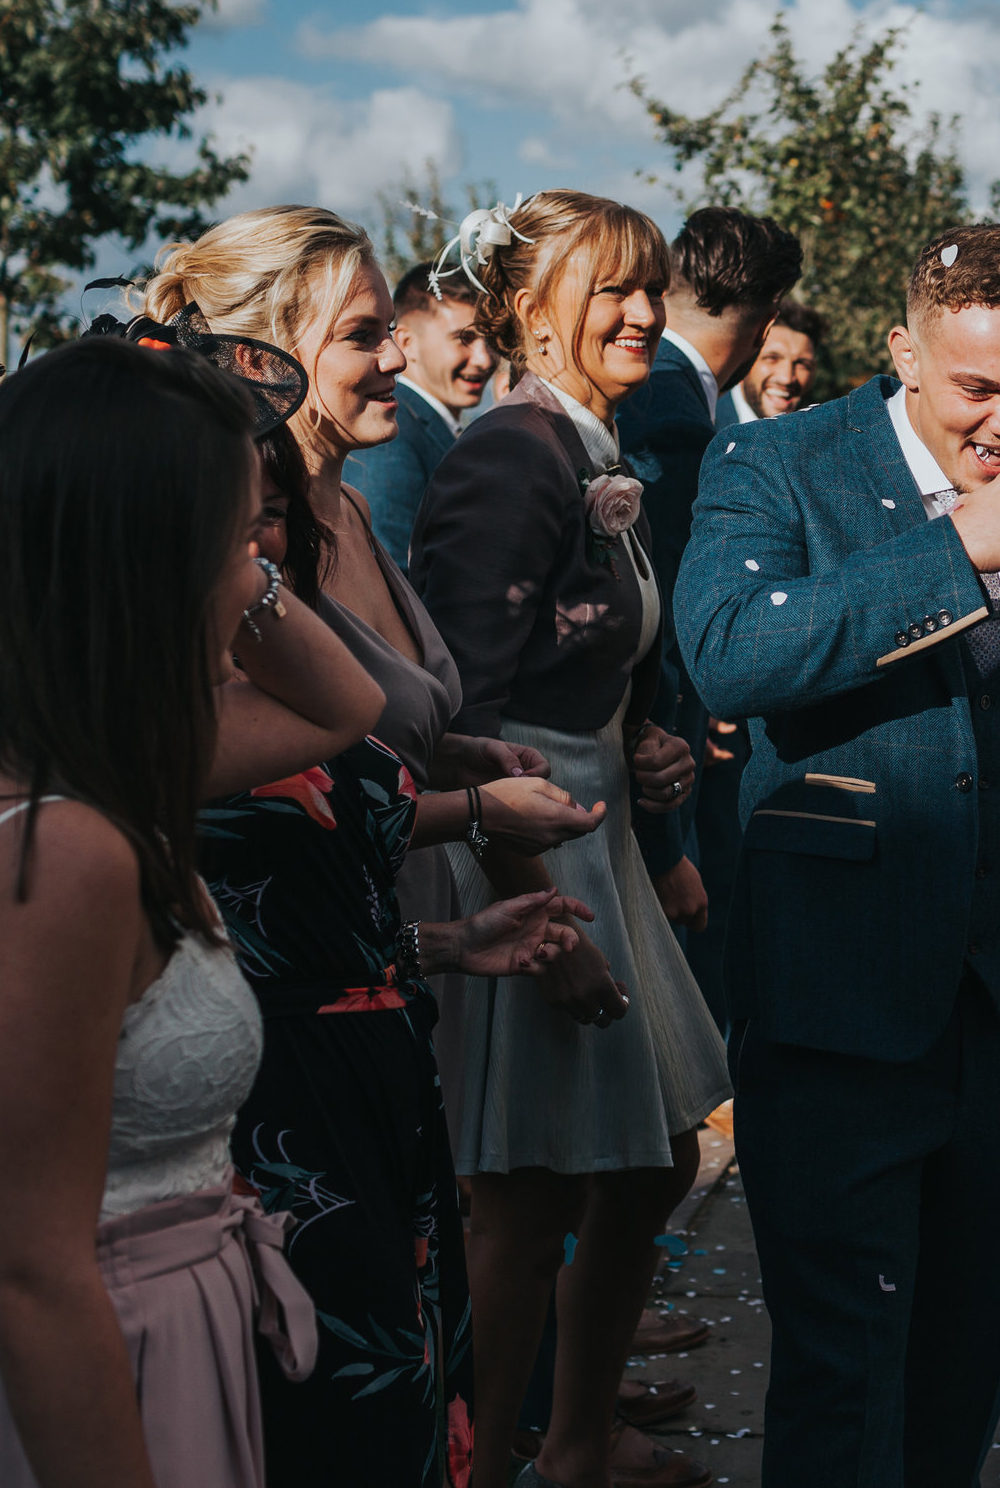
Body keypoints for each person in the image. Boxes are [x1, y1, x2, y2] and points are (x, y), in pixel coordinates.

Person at [675, 223, 1000, 1488]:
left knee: (968, 1363)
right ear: (903, 351)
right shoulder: (776, 463)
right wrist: (956, 548)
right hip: (836, 1000)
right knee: (841, 1379)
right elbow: (730, 650)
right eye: (979, 387)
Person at [0, 337, 385, 1486]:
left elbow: (344, 702)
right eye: (239, 538)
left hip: (148, 1336)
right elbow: (37, 1275)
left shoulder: (63, 763)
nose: (257, 571)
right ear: (150, 558)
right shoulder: (58, 852)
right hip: (94, 1371)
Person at [207, 429, 616, 1487]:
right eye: (248, 510)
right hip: (273, 1134)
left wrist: (439, 943)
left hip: (368, 1093)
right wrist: (475, 805)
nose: (276, 535)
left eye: (276, 510)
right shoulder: (131, 721)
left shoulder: (244, 646)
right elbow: (203, 970)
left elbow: (270, 938)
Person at [411, 190, 731, 1488]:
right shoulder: (513, 453)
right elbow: (458, 713)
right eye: (612, 288)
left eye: (649, 285)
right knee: (529, 1186)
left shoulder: (587, 447)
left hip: (595, 814)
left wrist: (638, 741)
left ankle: (578, 1436)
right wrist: (535, 915)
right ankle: (499, 1461)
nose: (645, 312)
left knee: (653, 1157)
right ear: (529, 304)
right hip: (524, 839)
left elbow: (590, 650)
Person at [617, 207, 803, 1036]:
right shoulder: (673, 411)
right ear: (764, 319)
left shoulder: (668, 393)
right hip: (668, 736)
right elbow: (663, 596)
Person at [343, 260, 497, 564]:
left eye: (490, 339)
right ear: (407, 343)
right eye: (464, 339)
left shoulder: (437, 427)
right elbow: (391, 566)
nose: (484, 359)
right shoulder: (391, 435)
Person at [743, 299, 823, 417]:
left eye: (802, 364)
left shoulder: (817, 429)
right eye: (772, 358)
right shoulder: (709, 422)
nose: (786, 379)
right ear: (744, 360)